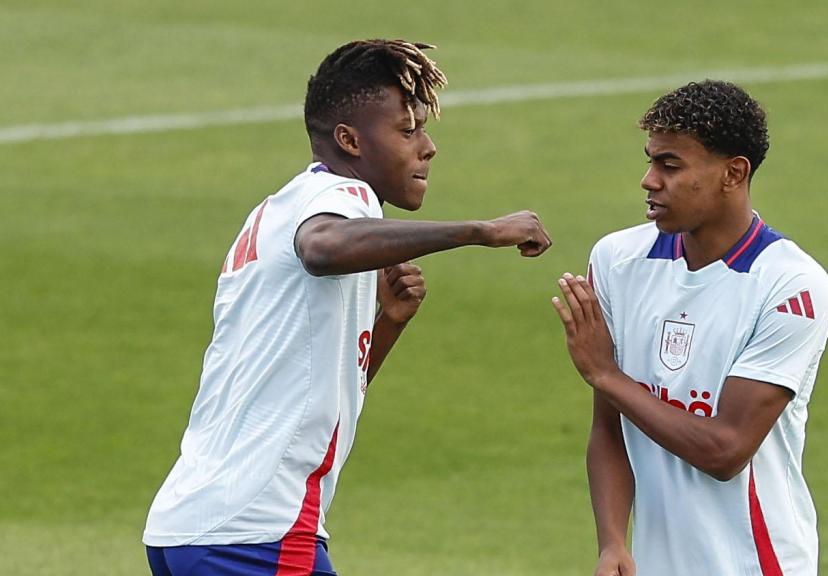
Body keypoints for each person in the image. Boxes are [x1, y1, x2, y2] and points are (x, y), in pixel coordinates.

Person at [142, 39, 552, 576]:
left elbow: (318, 385)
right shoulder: (342, 199)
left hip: (188, 527)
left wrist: (387, 324)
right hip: (257, 532)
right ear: (349, 140)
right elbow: (323, 248)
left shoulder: (272, 212)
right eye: (407, 131)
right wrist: (481, 231)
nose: (427, 148)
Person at [552, 80, 828, 576]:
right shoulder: (618, 261)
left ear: (733, 173)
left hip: (753, 564)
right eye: (650, 161)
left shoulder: (791, 287)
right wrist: (613, 542)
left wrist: (607, 374)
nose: (648, 180)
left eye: (670, 165)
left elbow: (725, 450)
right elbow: (610, 425)